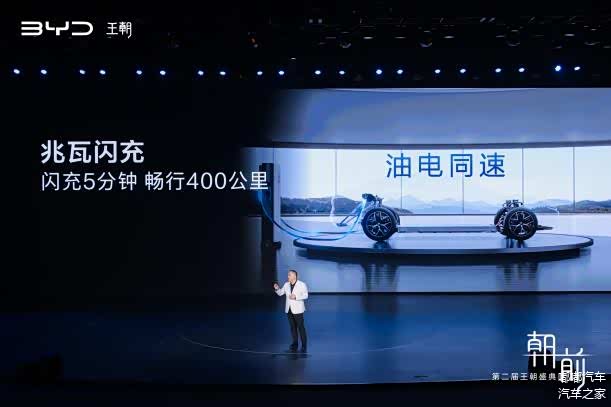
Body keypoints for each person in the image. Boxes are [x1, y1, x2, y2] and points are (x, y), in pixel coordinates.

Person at [274, 269, 308, 352]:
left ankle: (304, 345)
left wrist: (296, 297)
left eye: (289, 275)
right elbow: (281, 293)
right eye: (288, 275)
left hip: (298, 310)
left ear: (294, 276)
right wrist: (277, 289)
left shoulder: (302, 284)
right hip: (289, 309)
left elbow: (306, 295)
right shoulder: (286, 284)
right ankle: (295, 343)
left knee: (300, 327)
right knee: (292, 327)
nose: (288, 276)